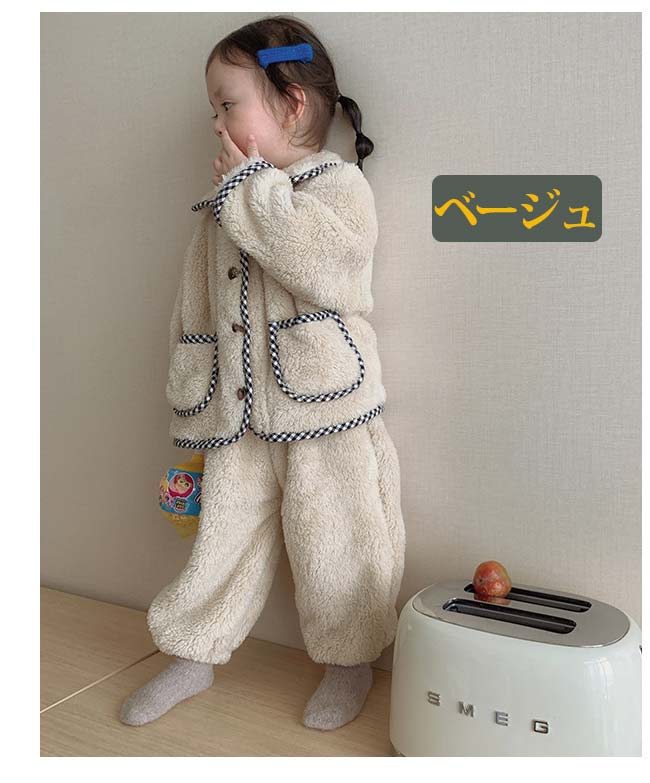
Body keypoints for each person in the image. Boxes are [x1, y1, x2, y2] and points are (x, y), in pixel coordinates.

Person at [119, 15, 405, 733]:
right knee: (222, 537)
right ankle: (193, 651)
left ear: (292, 103)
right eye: (212, 110)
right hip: (237, 412)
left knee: (339, 536)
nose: (215, 123)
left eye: (227, 104)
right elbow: (195, 304)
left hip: (325, 406)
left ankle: (349, 661)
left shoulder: (337, 186)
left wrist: (250, 188)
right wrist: (191, 388)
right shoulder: (223, 206)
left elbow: (330, 267)